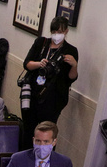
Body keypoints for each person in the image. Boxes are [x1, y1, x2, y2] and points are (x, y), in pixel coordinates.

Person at [20, 15, 78, 150]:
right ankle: (25, 156)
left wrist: (74, 65)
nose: (57, 35)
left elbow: (71, 78)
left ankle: (45, 157)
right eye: (54, 31)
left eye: (60, 32)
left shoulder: (70, 51)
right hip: (33, 94)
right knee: (29, 131)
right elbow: (27, 64)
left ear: (66, 31)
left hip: (53, 99)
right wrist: (39, 64)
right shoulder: (41, 43)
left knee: (47, 133)